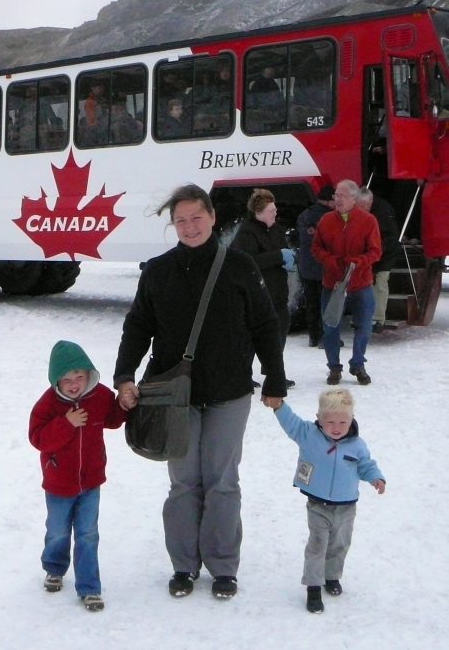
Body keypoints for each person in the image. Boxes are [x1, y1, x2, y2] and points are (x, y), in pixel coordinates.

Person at [114, 184, 287, 600]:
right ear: (172, 225)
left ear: (212, 217)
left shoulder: (241, 266)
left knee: (222, 481)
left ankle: (223, 567)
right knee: (184, 482)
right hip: (175, 397)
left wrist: (275, 379)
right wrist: (124, 376)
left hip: (230, 392)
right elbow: (138, 326)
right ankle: (184, 566)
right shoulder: (158, 270)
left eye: (196, 217)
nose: (189, 227)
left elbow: (265, 325)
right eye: (181, 220)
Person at [262, 388, 385, 614]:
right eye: (330, 422)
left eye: (342, 422)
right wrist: (278, 406)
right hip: (318, 506)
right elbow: (292, 423)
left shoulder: (357, 444)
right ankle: (313, 586)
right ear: (319, 419)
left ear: (351, 420)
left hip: (347, 506)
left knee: (340, 544)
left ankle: (332, 576)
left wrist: (375, 477)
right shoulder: (308, 434)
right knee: (318, 545)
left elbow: (366, 465)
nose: (336, 428)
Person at [29, 340, 126, 612]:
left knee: (88, 534)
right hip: (58, 484)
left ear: (89, 375)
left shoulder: (100, 396)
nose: (74, 384)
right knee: (58, 531)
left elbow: (113, 418)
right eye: (67, 379)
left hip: (91, 482)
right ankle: (55, 567)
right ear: (56, 380)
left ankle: (89, 588)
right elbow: (38, 439)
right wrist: (66, 423)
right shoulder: (48, 404)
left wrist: (124, 405)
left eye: (80, 377)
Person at [312, 180, 381, 386]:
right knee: (330, 327)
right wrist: (330, 261)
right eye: (336, 195)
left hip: (361, 284)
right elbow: (315, 248)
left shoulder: (368, 221)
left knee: (365, 326)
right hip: (332, 285)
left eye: (341, 196)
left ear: (353, 198)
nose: (337, 199)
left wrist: (359, 262)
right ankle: (334, 367)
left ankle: (358, 364)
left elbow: (376, 251)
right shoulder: (325, 220)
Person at [231, 188, 296, 388]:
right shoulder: (247, 232)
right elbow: (247, 261)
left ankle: (274, 373)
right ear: (258, 212)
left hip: (278, 293)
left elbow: (281, 251)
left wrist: (290, 258)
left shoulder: (276, 229)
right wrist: (279, 256)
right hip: (256, 295)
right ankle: (243, 375)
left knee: (279, 334)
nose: (275, 213)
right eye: (271, 211)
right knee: (251, 338)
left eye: (275, 210)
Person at [295, 185, 336, 347]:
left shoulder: (304, 215)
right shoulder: (330, 217)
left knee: (312, 303)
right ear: (329, 200)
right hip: (323, 267)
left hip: (306, 266)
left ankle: (313, 336)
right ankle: (325, 337)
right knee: (326, 303)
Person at [356, 188, 401, 333]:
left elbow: (391, 238)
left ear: (371, 201)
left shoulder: (383, 212)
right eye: (359, 206)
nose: (362, 210)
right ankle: (361, 315)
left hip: (386, 252)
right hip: (368, 252)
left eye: (365, 207)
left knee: (381, 282)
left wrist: (373, 254)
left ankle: (377, 319)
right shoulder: (356, 211)